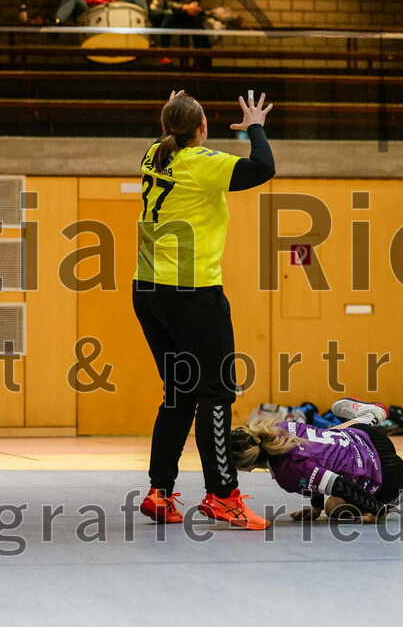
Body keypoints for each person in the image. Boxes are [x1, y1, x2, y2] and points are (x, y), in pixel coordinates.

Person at [134, 89, 276, 530]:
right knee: (216, 395)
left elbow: (173, 134)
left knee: (178, 394)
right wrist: (254, 125)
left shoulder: (154, 154)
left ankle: (160, 493)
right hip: (193, 295)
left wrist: (174, 113)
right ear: (202, 128)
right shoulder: (202, 163)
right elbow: (263, 168)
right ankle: (222, 496)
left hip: (148, 292)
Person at [230, 397, 403, 523]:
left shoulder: (286, 473)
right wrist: (316, 507)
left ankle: (389, 498)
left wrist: (377, 510)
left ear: (247, 467)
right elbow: (316, 459)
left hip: (388, 473)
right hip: (368, 435)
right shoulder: (278, 429)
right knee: (328, 435)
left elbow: (339, 485)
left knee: (333, 507)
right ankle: (368, 417)